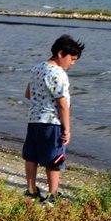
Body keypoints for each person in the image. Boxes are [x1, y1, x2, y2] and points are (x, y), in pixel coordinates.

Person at [21, 34, 85, 204]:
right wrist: (67, 130)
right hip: (52, 122)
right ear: (61, 53)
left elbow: (28, 94)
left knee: (32, 156)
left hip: (34, 119)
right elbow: (62, 104)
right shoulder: (58, 73)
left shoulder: (37, 68)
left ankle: (31, 190)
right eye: (72, 59)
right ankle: (53, 193)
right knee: (55, 159)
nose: (72, 64)